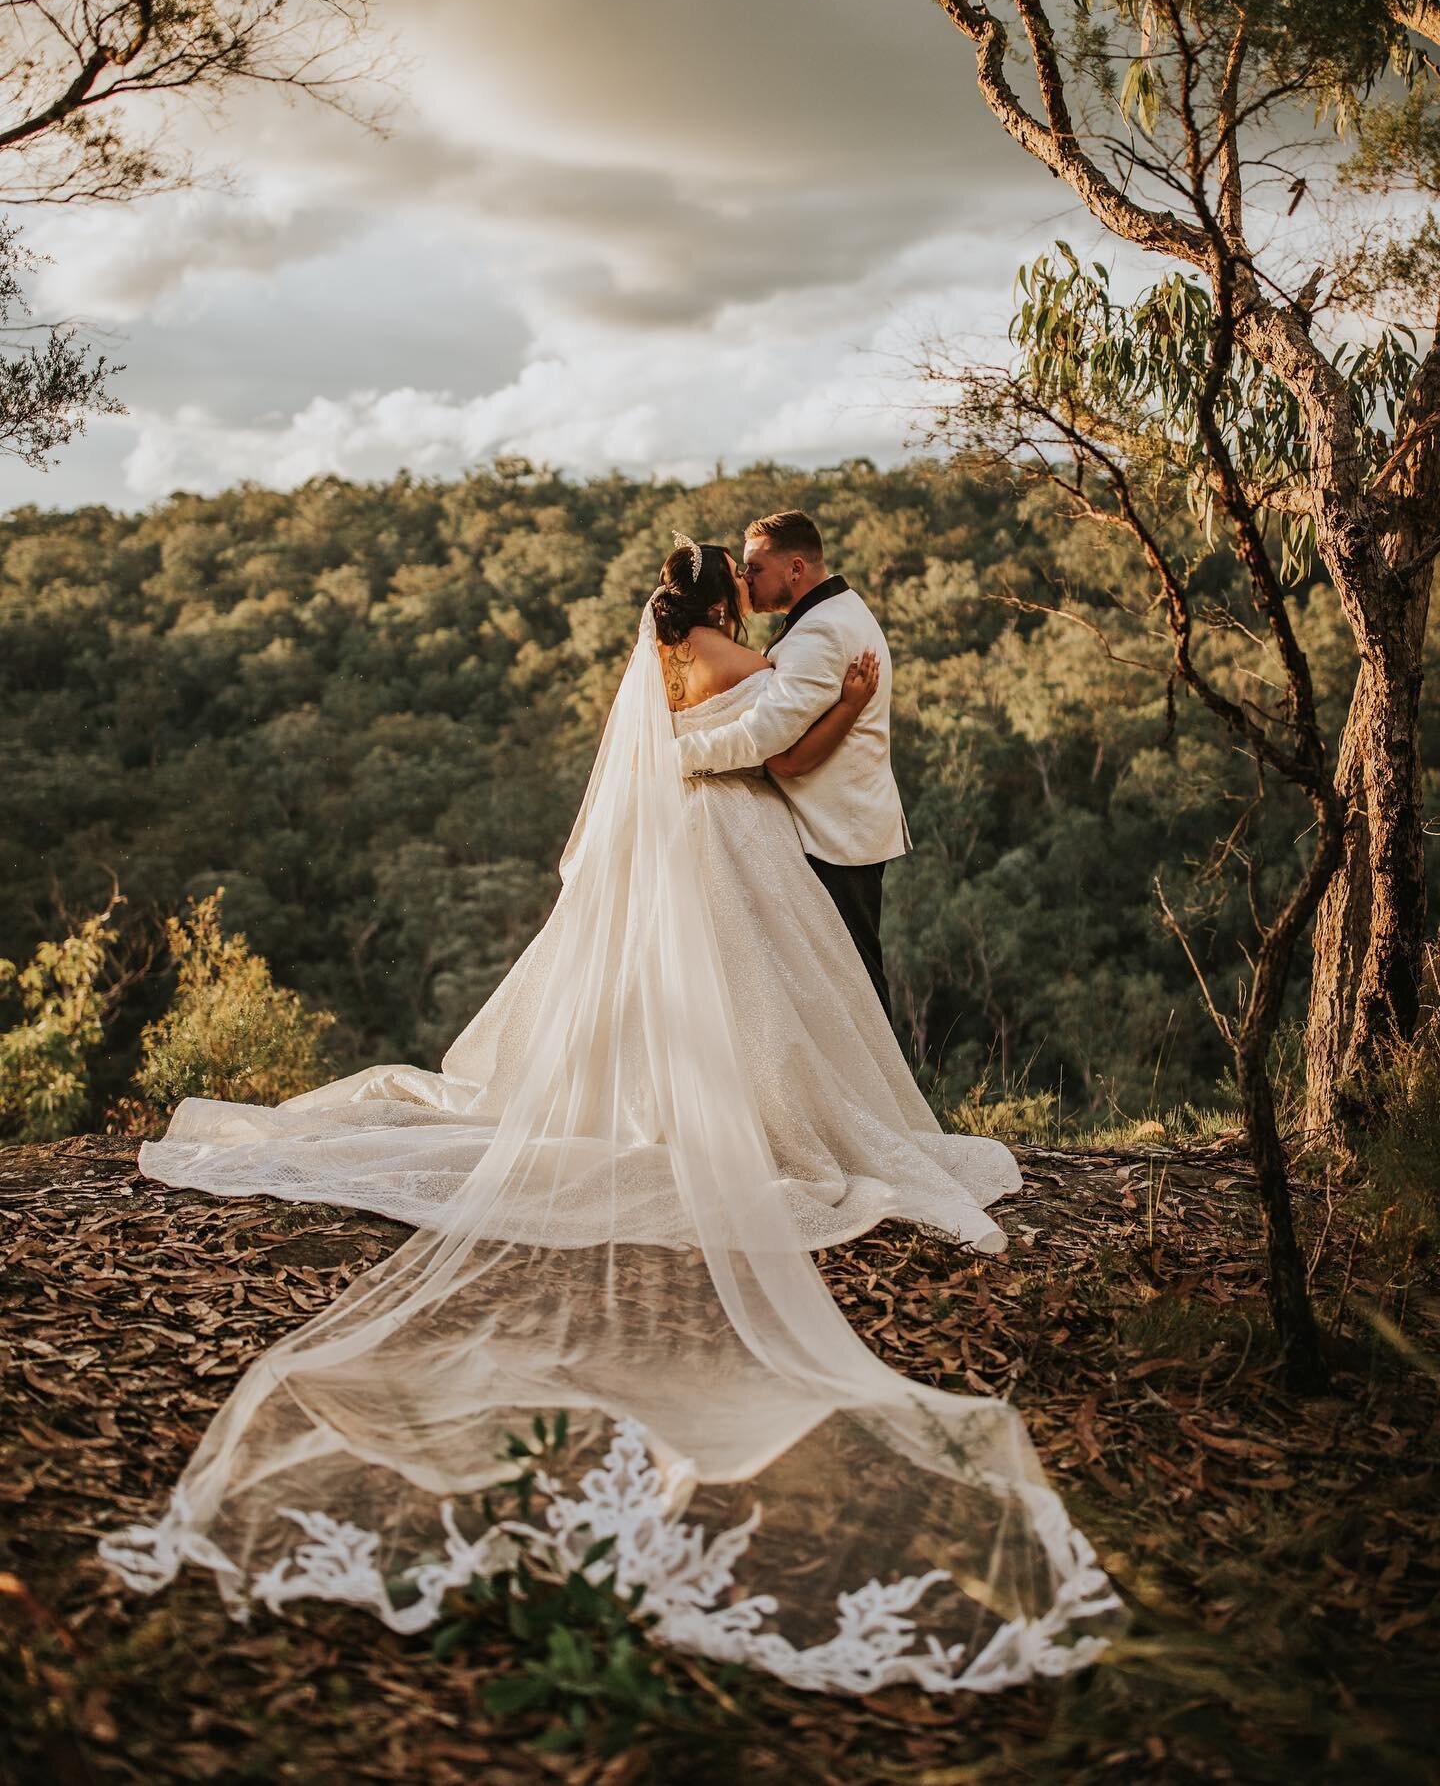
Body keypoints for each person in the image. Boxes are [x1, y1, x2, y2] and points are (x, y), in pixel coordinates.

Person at [99, 533, 1121, 1698]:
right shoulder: (736, 650)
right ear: (725, 596)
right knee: (756, 995)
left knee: (700, 996)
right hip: (725, 823)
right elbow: (761, 743)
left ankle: (685, 1106)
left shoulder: (676, 646)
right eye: (738, 577)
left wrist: (771, 724)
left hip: (703, 823)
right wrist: (833, 709)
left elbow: (714, 735)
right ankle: (749, 1119)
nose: (749, 586)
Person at [673, 510, 906, 1020]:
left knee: (856, 985)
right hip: (824, 827)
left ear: (795, 568)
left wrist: (671, 758)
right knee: (832, 983)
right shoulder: (830, 615)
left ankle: (885, 1097)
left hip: (835, 835)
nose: (747, 580)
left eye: (754, 568)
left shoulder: (819, 635)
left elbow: (764, 739)